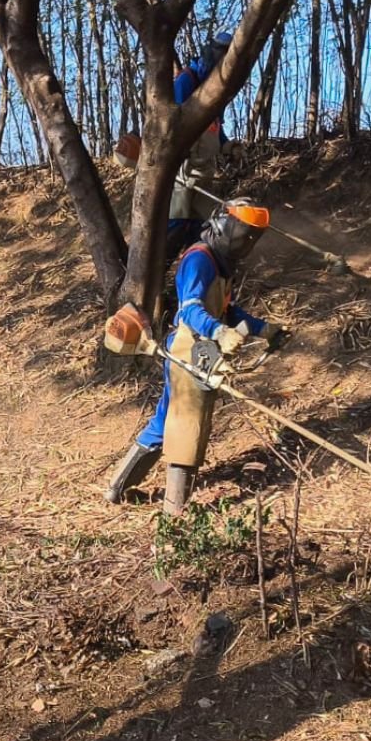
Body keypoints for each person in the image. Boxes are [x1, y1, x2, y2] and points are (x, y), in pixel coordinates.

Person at [106, 200, 280, 515]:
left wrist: (262, 329)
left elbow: (228, 311)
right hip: (189, 347)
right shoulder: (199, 259)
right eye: (243, 233)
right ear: (223, 225)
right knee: (188, 423)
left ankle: (117, 486)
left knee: (165, 419)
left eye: (252, 237)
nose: (247, 241)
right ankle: (175, 511)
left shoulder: (222, 263)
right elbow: (191, 309)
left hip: (203, 348)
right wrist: (218, 332)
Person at [167, 31, 235, 262]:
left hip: (204, 171)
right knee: (177, 223)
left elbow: (214, 126)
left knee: (201, 228)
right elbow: (173, 122)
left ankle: (193, 270)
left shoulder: (216, 89)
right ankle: (154, 278)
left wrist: (228, 146)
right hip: (183, 171)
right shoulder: (187, 81)